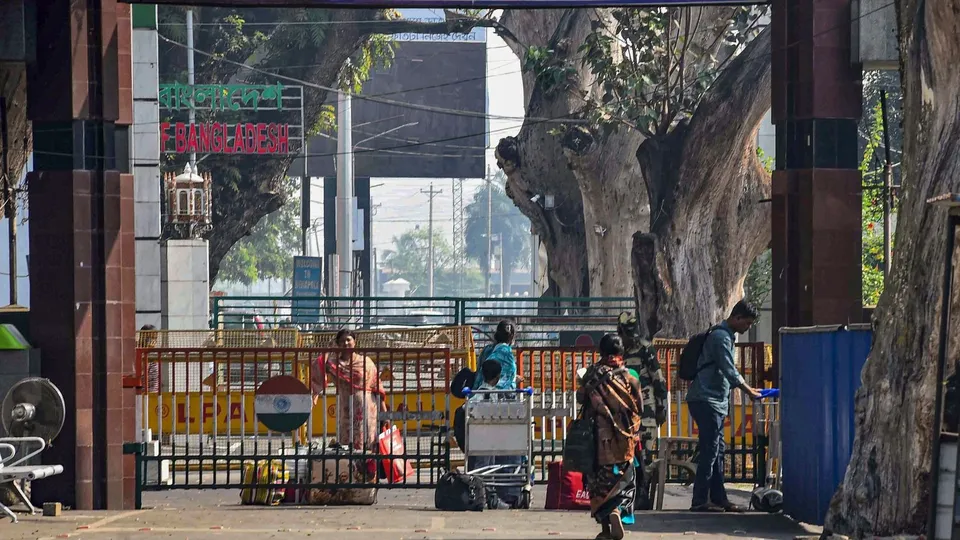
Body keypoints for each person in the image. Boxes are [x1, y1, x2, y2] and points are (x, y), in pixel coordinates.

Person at [685, 300, 763, 513]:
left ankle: (720, 499)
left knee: (717, 450)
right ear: (736, 318)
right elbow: (729, 369)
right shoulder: (720, 337)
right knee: (710, 450)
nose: (748, 328)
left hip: (715, 401)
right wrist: (749, 391)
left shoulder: (726, 336)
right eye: (747, 323)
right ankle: (700, 500)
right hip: (705, 399)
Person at [577, 334, 642, 540]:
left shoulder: (591, 374)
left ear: (600, 352)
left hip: (597, 440)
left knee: (598, 483)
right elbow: (639, 405)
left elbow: (581, 399)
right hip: (624, 440)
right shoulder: (630, 375)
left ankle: (606, 528)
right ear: (622, 352)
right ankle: (618, 511)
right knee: (623, 480)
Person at [616, 312, 667, 511]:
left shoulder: (645, 349)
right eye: (626, 332)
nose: (631, 336)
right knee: (627, 455)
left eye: (632, 332)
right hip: (625, 413)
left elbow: (658, 378)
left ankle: (642, 495)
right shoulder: (619, 352)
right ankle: (630, 494)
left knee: (645, 454)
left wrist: (661, 406)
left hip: (647, 412)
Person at [313, 329, 387, 452]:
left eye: (348, 340)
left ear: (355, 342)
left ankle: (369, 470)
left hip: (368, 411)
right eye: (341, 341)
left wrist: (385, 413)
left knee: (368, 445)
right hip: (346, 411)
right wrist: (330, 348)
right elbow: (318, 366)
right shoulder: (334, 363)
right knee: (347, 447)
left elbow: (377, 386)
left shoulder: (365, 362)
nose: (345, 343)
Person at [467, 359, 518, 509]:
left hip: (477, 438)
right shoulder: (494, 395)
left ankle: (482, 496)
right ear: (497, 378)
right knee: (486, 469)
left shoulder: (475, 395)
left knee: (480, 468)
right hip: (489, 439)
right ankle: (485, 498)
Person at [474, 320, 518, 390]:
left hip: (480, 391)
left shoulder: (487, 350)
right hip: (500, 396)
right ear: (512, 337)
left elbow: (479, 372)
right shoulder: (506, 354)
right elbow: (508, 377)